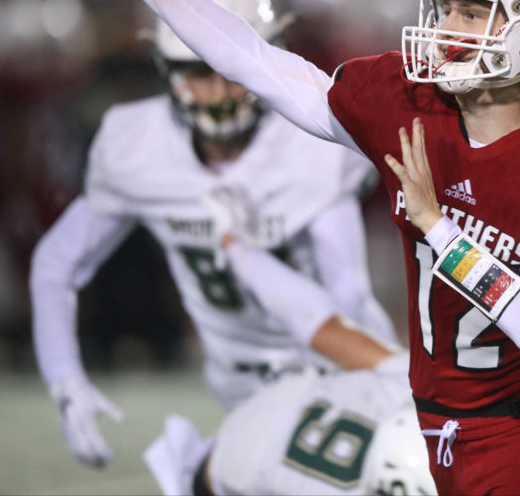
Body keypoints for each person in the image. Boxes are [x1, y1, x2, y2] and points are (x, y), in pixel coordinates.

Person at [40, 0, 520, 495]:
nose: (447, 29)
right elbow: (252, 60)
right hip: (431, 418)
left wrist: (436, 225)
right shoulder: (407, 105)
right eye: (446, 9)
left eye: (473, 12)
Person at [29, 0, 394, 469]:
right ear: (168, 71)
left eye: (233, 70)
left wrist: (249, 260)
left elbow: (346, 296)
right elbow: (56, 264)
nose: (220, 90)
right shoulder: (135, 142)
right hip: (238, 387)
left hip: (343, 372)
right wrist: (65, 380)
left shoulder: (315, 144)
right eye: (200, 72)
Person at [142, 190, 433, 496]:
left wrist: (237, 250)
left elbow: (323, 329)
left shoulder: (416, 391)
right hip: (235, 460)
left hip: (251, 438)